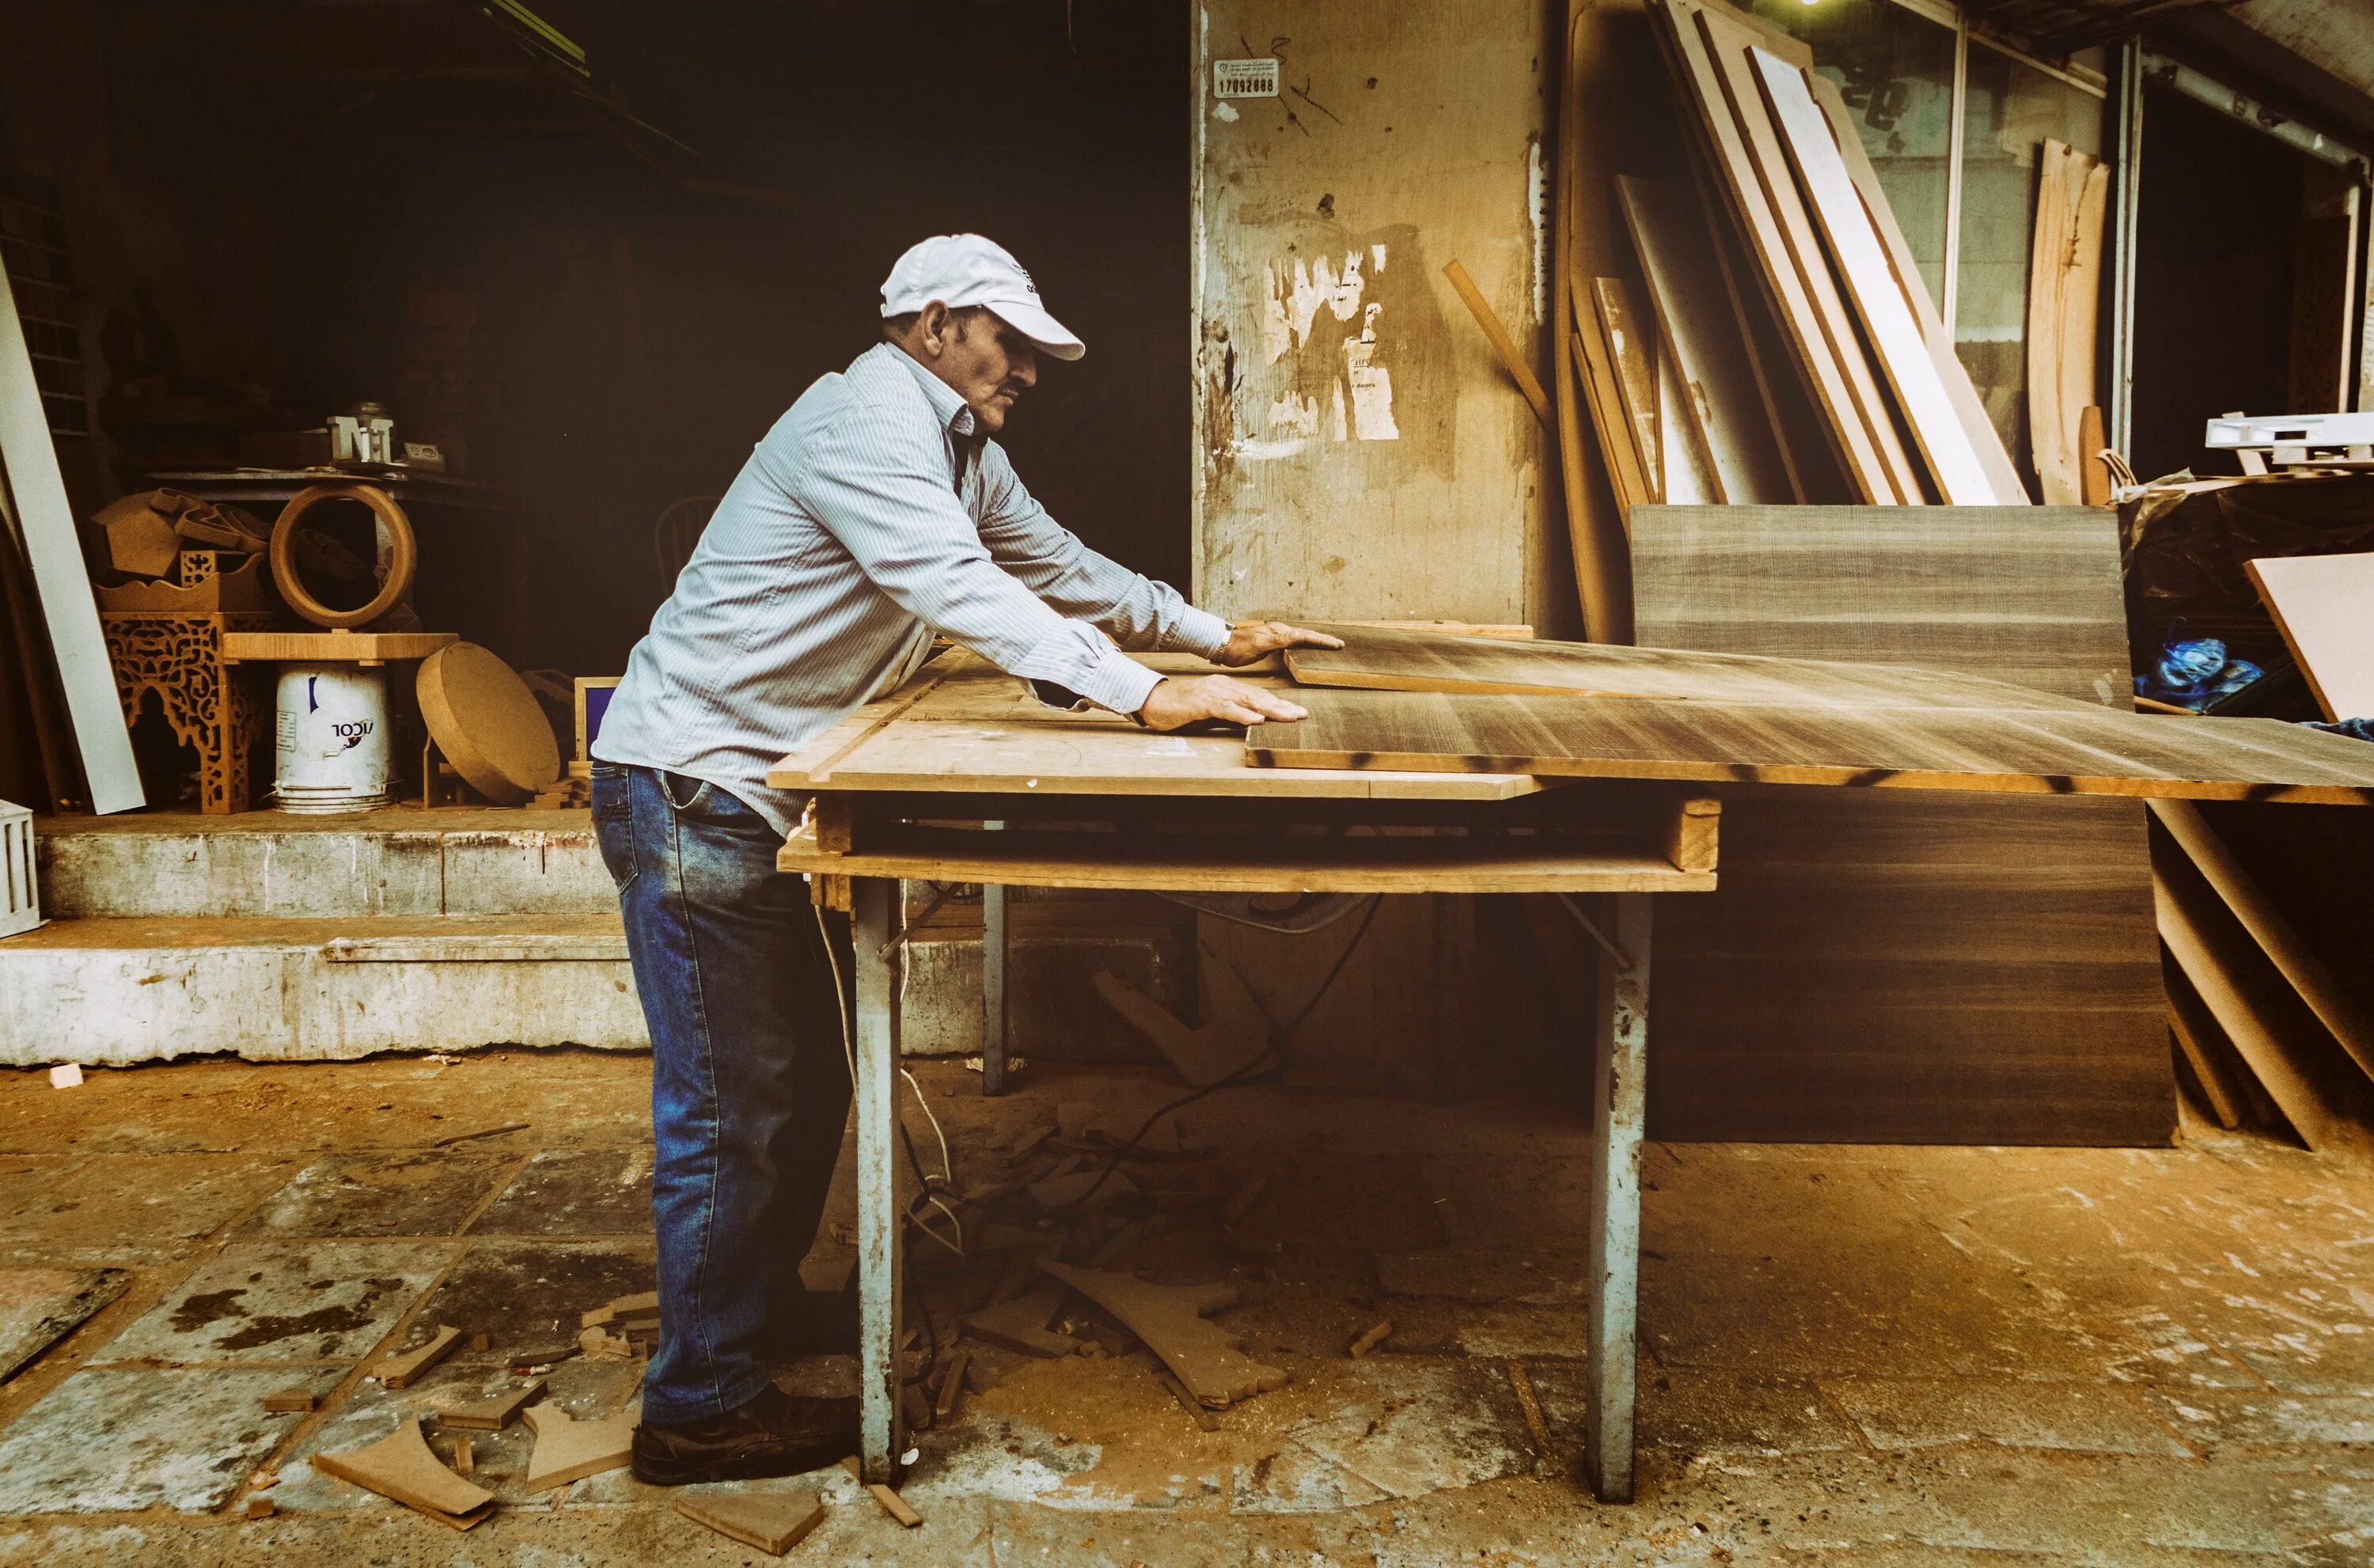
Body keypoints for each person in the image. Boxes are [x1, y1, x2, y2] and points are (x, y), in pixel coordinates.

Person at [591, 233, 1341, 1483]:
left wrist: (1215, 633)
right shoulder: (863, 426)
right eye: (1012, 345)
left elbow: (1052, 564)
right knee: (731, 1110)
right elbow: (955, 587)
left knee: (812, 1084)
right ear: (937, 324)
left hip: (750, 793)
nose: (1029, 373)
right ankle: (697, 1405)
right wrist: (1143, 697)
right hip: (690, 789)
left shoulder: (955, 446)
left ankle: (752, 1317)